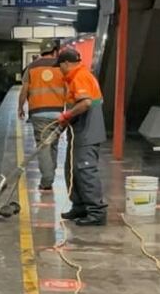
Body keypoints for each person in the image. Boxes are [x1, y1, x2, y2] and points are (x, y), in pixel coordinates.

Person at [54, 47, 108, 226]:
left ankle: (96, 212)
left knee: (86, 172)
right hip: (79, 134)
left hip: (87, 135)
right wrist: (66, 121)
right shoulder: (79, 76)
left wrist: (66, 116)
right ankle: (80, 206)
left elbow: (85, 103)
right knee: (73, 170)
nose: (59, 69)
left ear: (66, 63)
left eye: (59, 65)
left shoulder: (80, 77)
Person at [17, 39, 69, 191]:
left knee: (43, 146)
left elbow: (24, 90)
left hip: (38, 113)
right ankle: (50, 174)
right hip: (58, 113)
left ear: (41, 51)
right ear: (55, 51)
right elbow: (68, 88)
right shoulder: (61, 66)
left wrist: (21, 107)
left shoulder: (31, 67)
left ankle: (46, 180)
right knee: (53, 144)